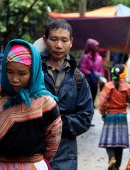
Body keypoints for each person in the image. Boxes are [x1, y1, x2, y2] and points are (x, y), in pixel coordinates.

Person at [0, 39, 62, 169]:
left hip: (33, 165)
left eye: (22, 73)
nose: (14, 79)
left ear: (33, 72)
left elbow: (53, 140)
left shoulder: (46, 103)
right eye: (9, 72)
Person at [40, 19, 94, 170]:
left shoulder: (78, 77)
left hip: (66, 152)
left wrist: (58, 123)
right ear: (45, 40)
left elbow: (86, 115)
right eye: (54, 39)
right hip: (34, 149)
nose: (59, 45)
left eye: (64, 40)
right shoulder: (33, 71)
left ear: (71, 42)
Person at [98, 64, 130, 170]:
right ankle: (117, 166)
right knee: (119, 144)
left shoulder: (108, 86)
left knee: (109, 141)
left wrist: (103, 114)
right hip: (122, 116)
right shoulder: (127, 86)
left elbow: (102, 103)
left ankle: (111, 157)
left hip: (110, 116)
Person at [80, 38, 106, 105]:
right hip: (87, 80)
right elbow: (83, 68)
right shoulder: (85, 57)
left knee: (93, 95)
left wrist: (100, 75)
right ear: (91, 46)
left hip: (95, 81)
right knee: (86, 96)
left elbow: (101, 69)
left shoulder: (99, 58)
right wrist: (91, 73)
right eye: (96, 46)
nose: (97, 47)